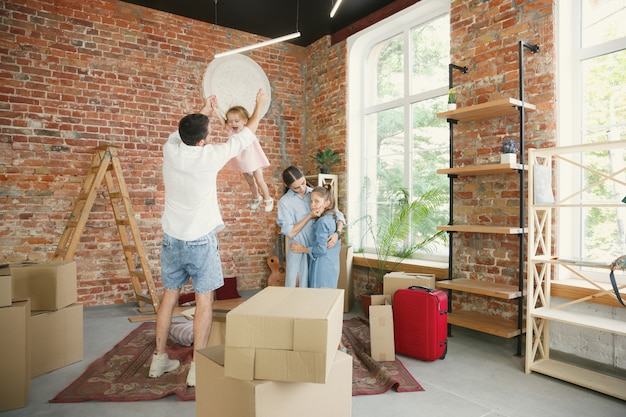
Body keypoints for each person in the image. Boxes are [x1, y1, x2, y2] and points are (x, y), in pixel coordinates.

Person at [148, 89, 267, 387]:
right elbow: (246, 134)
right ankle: (197, 370)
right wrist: (259, 106)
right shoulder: (210, 155)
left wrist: (204, 109)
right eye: (209, 131)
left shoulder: (171, 148)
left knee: (169, 296)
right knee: (204, 301)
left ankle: (159, 359)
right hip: (200, 240)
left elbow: (186, 130)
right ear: (202, 141)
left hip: (171, 238)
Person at [276, 166, 345, 288]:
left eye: (303, 183)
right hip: (298, 248)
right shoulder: (284, 202)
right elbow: (290, 232)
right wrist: (309, 216)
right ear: (288, 186)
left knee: (313, 287)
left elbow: (337, 213)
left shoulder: (315, 193)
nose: (302, 188)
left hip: (317, 247)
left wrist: (337, 233)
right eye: (296, 187)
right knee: (294, 285)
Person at [222, 105, 273, 212]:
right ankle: (256, 196)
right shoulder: (231, 132)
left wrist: (258, 104)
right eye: (230, 121)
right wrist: (216, 108)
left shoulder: (248, 131)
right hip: (243, 162)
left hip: (254, 160)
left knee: (259, 180)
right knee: (250, 182)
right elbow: (222, 120)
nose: (233, 124)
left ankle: (268, 198)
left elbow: (254, 120)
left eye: (236, 121)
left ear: (245, 121)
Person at [290, 185, 341, 288]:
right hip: (333, 265)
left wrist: (302, 249)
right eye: (311, 201)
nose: (313, 205)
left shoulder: (322, 222)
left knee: (318, 298)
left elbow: (321, 250)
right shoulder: (333, 216)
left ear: (327, 203)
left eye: (317, 201)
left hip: (322, 268)